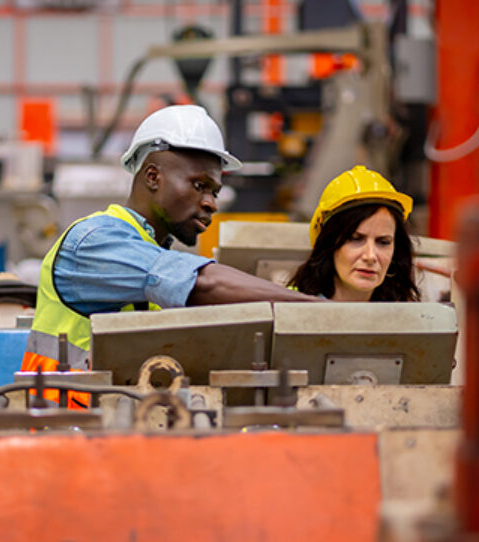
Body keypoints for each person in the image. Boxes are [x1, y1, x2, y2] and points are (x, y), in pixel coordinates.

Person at [21, 105, 319, 376]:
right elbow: (203, 282)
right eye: (199, 185)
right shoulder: (92, 242)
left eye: (214, 192)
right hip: (56, 426)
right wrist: (315, 308)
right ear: (153, 176)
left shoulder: (149, 251)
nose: (211, 204)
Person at [289, 166, 419, 302]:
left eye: (383, 242)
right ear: (327, 243)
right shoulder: (287, 311)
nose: (370, 256)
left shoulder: (406, 315)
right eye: (355, 239)